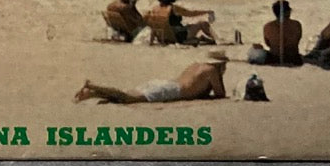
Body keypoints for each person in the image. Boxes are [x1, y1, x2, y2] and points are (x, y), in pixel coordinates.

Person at [74, 53, 229, 105]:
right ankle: (94, 86)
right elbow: (220, 94)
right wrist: (219, 75)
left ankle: (92, 93)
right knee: (127, 98)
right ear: (220, 64)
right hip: (171, 90)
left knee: (127, 96)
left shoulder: (196, 65)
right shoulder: (211, 70)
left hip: (166, 84)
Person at [145, 0, 216, 45]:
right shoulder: (173, 8)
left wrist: (152, 41)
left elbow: (152, 25)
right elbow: (191, 13)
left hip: (162, 37)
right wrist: (207, 12)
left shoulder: (154, 9)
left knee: (188, 26)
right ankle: (216, 39)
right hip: (177, 36)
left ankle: (201, 39)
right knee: (202, 23)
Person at [250, 0, 303, 66]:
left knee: (254, 50)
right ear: (287, 12)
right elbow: (298, 39)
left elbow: (268, 43)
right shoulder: (296, 24)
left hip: (274, 58)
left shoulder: (268, 26)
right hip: (293, 58)